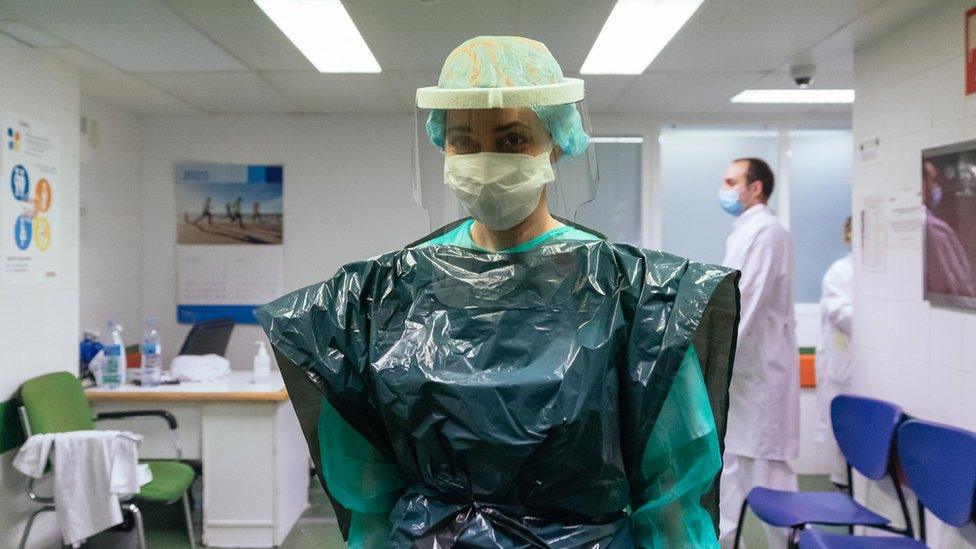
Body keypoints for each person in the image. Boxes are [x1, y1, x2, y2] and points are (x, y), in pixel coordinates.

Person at [258, 36, 739, 548]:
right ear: (442, 144)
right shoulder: (381, 296)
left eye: (511, 140)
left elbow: (672, 496)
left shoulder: (637, 296)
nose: (485, 159)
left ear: (557, 140)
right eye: (464, 140)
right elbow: (366, 486)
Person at [717, 157, 799, 548]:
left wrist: (716, 354)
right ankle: (727, 539)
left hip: (761, 372)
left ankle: (788, 541)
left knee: (767, 469)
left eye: (732, 181)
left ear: (756, 188)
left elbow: (746, 301)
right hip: (745, 375)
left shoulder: (767, 232)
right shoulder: (746, 231)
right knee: (732, 464)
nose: (725, 189)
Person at [815, 217, 853, 488]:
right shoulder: (840, 272)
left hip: (861, 370)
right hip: (844, 367)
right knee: (845, 434)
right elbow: (842, 313)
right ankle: (843, 485)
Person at [923, 159, 975, 297]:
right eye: (933, 180)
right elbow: (955, 287)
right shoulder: (935, 230)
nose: (936, 186)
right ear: (922, 184)